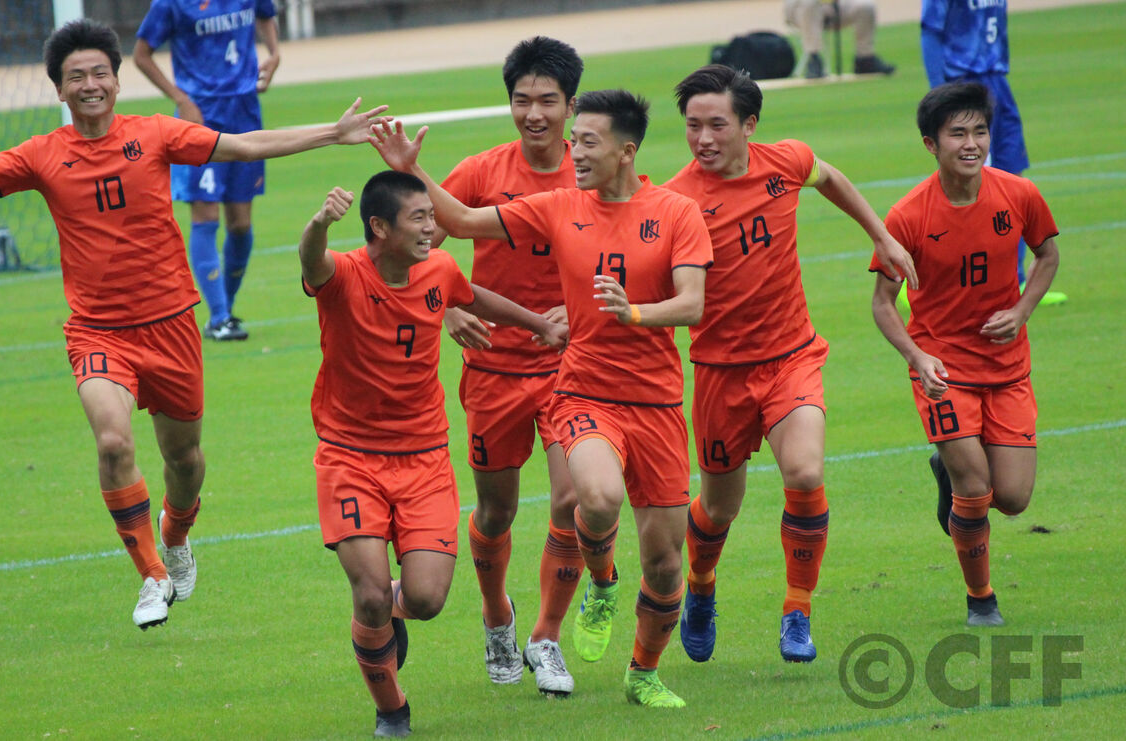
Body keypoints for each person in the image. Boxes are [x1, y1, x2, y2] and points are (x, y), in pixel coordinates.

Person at [0, 19, 387, 631]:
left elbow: (245, 145)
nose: (89, 84)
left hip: (172, 325)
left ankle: (176, 536)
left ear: (117, 81)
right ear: (59, 90)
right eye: (75, 76)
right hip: (98, 332)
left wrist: (334, 135)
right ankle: (154, 575)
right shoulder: (41, 155)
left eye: (99, 73)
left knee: (184, 461)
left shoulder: (155, 135)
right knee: (112, 442)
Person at [371, 90, 714, 709]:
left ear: (626, 151)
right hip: (583, 388)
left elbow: (692, 303)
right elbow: (464, 222)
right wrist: (410, 170)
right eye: (574, 139)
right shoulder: (559, 206)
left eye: (587, 142)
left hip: (659, 402)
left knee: (666, 564)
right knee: (593, 496)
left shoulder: (675, 212)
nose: (574, 152)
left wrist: (634, 312)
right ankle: (599, 583)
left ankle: (642, 672)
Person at [662, 64, 915, 664]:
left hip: (790, 356)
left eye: (716, 125)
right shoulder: (676, 200)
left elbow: (830, 177)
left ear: (749, 124)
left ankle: (796, 610)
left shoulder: (787, 162)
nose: (703, 139)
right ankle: (700, 588)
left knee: (804, 473)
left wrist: (879, 234)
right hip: (720, 371)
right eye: (693, 126)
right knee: (719, 506)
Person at [300, 172, 567, 737]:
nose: (433, 226)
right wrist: (319, 223)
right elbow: (312, 260)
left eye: (432, 215)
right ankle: (393, 709)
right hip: (349, 459)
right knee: (367, 595)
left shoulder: (440, 270)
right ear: (379, 227)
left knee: (423, 599)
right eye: (420, 218)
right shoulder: (344, 273)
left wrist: (540, 323)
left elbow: (471, 295)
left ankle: (391, 610)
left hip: (423, 460)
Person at [870, 82, 1058, 626]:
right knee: (976, 488)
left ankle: (946, 475)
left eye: (979, 131)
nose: (971, 143)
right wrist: (916, 357)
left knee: (1015, 498)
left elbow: (1047, 255)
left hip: (1007, 367)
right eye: (958, 134)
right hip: (942, 370)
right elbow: (883, 304)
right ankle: (982, 599)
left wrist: (1022, 310)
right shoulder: (906, 217)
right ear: (932, 144)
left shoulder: (1018, 195)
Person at [437, 36, 584, 697]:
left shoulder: (594, 172)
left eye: (547, 100)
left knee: (574, 500)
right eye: (521, 100)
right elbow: (415, 251)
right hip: (493, 368)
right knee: (496, 513)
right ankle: (498, 614)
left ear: (571, 106)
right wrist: (444, 312)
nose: (533, 113)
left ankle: (546, 636)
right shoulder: (478, 172)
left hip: (570, 367)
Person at [134, 0, 281, 341]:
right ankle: (218, 318)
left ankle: (225, 310)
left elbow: (267, 18)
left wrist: (273, 56)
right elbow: (141, 53)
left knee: (241, 221)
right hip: (200, 118)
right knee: (205, 214)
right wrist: (180, 97)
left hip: (244, 111)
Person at [921, 0, 1065, 305]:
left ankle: (1015, 280)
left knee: (1012, 179)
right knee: (968, 185)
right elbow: (931, 32)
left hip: (998, 87)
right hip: (963, 87)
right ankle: (935, 278)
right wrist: (941, 97)